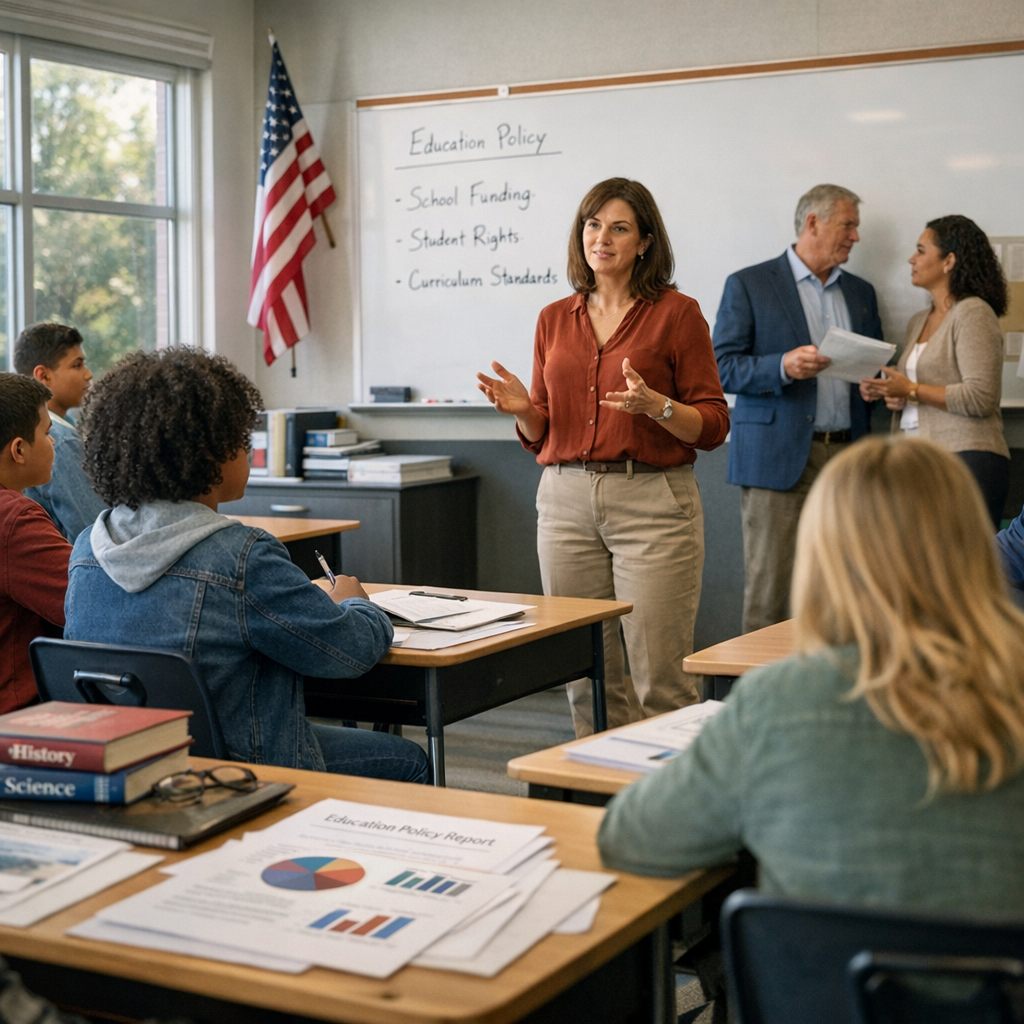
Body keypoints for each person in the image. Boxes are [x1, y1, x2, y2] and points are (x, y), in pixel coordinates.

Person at [599, 436, 1024, 918]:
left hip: (815, 991)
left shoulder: (775, 702)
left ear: (823, 555)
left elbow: (629, 838)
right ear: (973, 544)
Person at [64, 348, 427, 782]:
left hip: (133, 764)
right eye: (241, 438)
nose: (248, 450)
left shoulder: (87, 549)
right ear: (209, 453)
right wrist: (356, 604)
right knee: (409, 759)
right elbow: (346, 656)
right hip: (243, 770)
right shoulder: (242, 555)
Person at [477, 178, 729, 736]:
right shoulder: (552, 318)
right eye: (593, 225)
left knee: (659, 680)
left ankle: (670, 813)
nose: (602, 238)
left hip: (653, 501)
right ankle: (600, 806)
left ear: (644, 242)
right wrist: (524, 409)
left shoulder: (678, 314)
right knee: (586, 675)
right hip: (565, 500)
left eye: (619, 227)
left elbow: (713, 424)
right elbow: (544, 430)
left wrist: (658, 406)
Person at [713, 184, 883, 634]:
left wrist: (878, 386)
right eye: (848, 225)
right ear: (813, 223)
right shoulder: (749, 284)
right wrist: (783, 366)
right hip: (777, 457)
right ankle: (761, 699)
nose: (855, 237)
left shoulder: (862, 293)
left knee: (846, 589)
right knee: (771, 594)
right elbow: (721, 368)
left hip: (849, 459)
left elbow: (877, 368)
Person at [859, 215, 1010, 528]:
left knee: (958, 571)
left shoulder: (973, 313)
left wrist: (911, 390)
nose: (911, 259)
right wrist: (891, 393)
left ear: (949, 260)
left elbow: (981, 398)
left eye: (921, 250)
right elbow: (915, 392)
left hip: (966, 458)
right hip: (917, 457)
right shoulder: (918, 320)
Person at [0, 373, 73, 714]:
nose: (54, 443)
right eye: (46, 433)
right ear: (18, 449)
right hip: (19, 716)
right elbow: (83, 601)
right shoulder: (15, 521)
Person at [14, 323, 106, 542]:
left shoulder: (56, 427)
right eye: (77, 365)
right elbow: (95, 531)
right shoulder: (61, 441)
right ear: (43, 376)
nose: (88, 374)